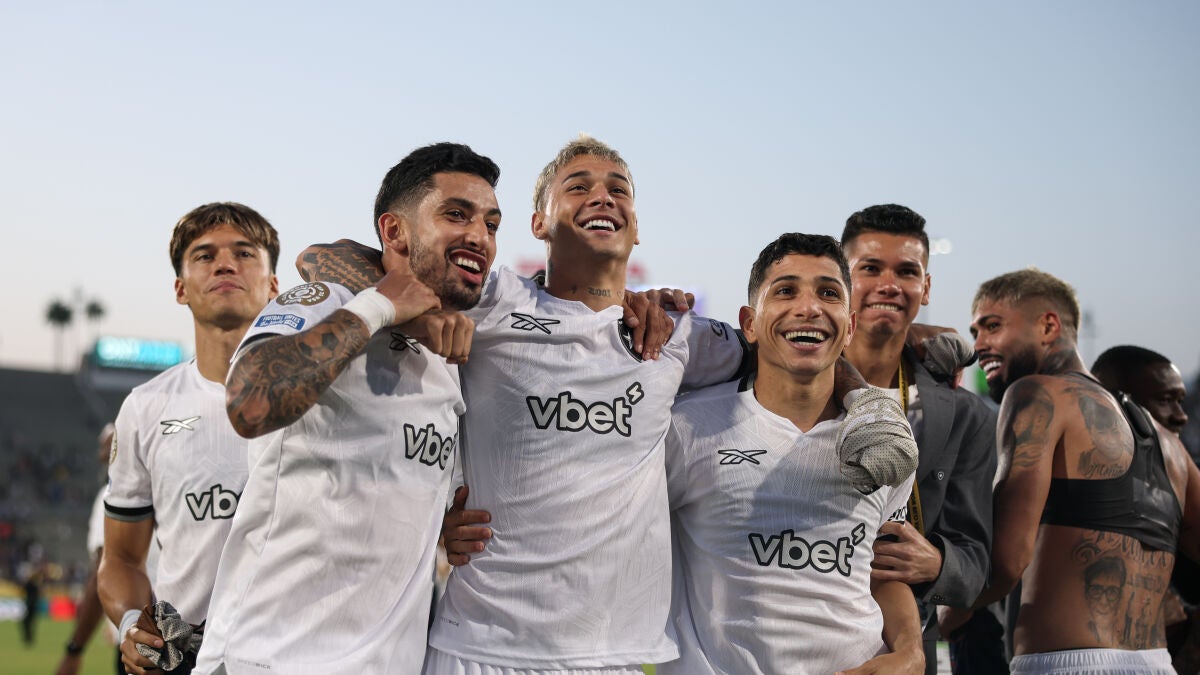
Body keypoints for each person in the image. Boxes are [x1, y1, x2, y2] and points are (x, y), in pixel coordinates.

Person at [300, 137, 915, 674]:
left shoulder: (681, 333)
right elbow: (325, 258)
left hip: (619, 653)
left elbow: (796, 343)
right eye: (578, 187)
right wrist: (418, 311)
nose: (603, 196)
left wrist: (875, 394)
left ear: (637, 227)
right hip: (481, 645)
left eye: (619, 188)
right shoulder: (492, 299)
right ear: (539, 224)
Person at [192, 142, 500, 674]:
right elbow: (250, 402)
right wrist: (378, 306)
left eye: (492, 224)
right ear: (394, 231)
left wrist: (440, 525)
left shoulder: (450, 355)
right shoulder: (332, 302)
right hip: (273, 658)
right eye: (456, 214)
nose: (480, 236)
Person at [662, 232, 923, 674]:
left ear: (850, 326)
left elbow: (882, 569)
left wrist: (911, 652)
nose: (809, 308)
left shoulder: (884, 438)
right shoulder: (687, 428)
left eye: (828, 293)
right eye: (785, 291)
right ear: (749, 323)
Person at [963, 268, 1200, 674]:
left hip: (1064, 662)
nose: (979, 345)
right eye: (975, 333)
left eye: (993, 326)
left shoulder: (1037, 393)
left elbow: (1005, 562)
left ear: (1048, 326)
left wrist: (942, 611)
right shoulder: (1171, 445)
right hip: (1156, 663)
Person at [98, 202, 279, 675]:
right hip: (185, 659)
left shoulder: (327, 395)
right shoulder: (146, 408)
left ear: (274, 286)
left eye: (244, 253)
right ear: (181, 288)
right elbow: (121, 558)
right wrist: (132, 624)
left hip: (299, 654)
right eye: (205, 255)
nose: (225, 264)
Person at [839, 204, 998, 674]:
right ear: (841, 279)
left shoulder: (964, 415)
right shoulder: (790, 382)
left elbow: (976, 562)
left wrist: (938, 565)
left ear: (925, 288)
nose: (889, 284)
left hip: (903, 648)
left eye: (906, 272)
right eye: (871, 268)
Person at [1093, 345, 1200, 673]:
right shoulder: (1066, 478)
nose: (1181, 415)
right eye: (1166, 400)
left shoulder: (1180, 473)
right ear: (1117, 403)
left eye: (1180, 400)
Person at [56, 424, 123, 675]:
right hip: (186, 631)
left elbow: (103, 576)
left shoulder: (112, 496)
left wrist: (74, 650)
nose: (99, 456)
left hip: (141, 637)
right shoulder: (168, 489)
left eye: (106, 449)